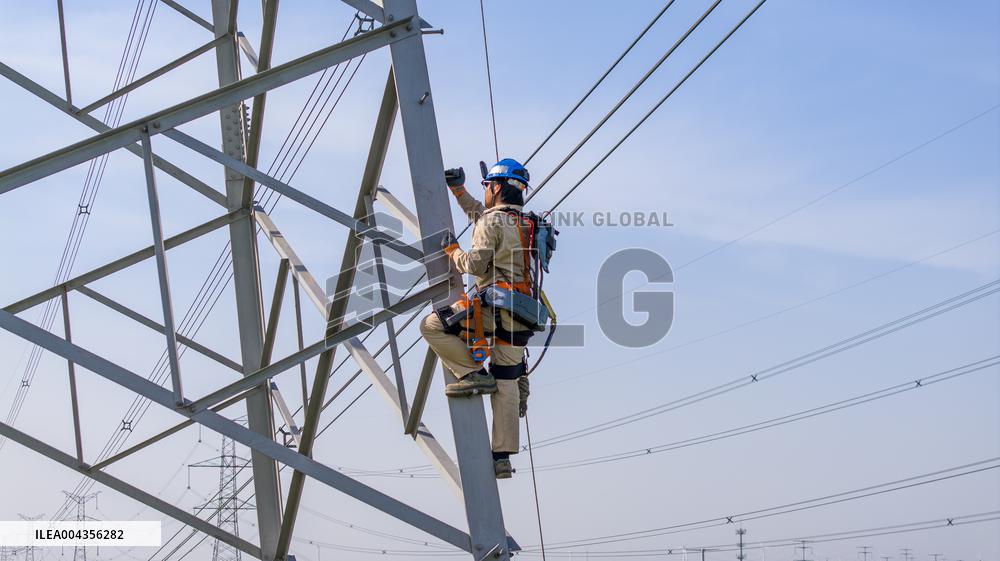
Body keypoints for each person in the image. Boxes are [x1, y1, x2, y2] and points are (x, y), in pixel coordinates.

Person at [419, 158, 535, 480]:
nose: (485, 192)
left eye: (487, 186)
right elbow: (484, 218)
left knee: (432, 326)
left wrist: (453, 252)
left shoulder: (491, 222)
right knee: (507, 379)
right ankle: (502, 458)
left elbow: (474, 265)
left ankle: (472, 375)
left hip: (493, 310)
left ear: (496, 187)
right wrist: (459, 192)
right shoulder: (528, 223)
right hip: (524, 315)